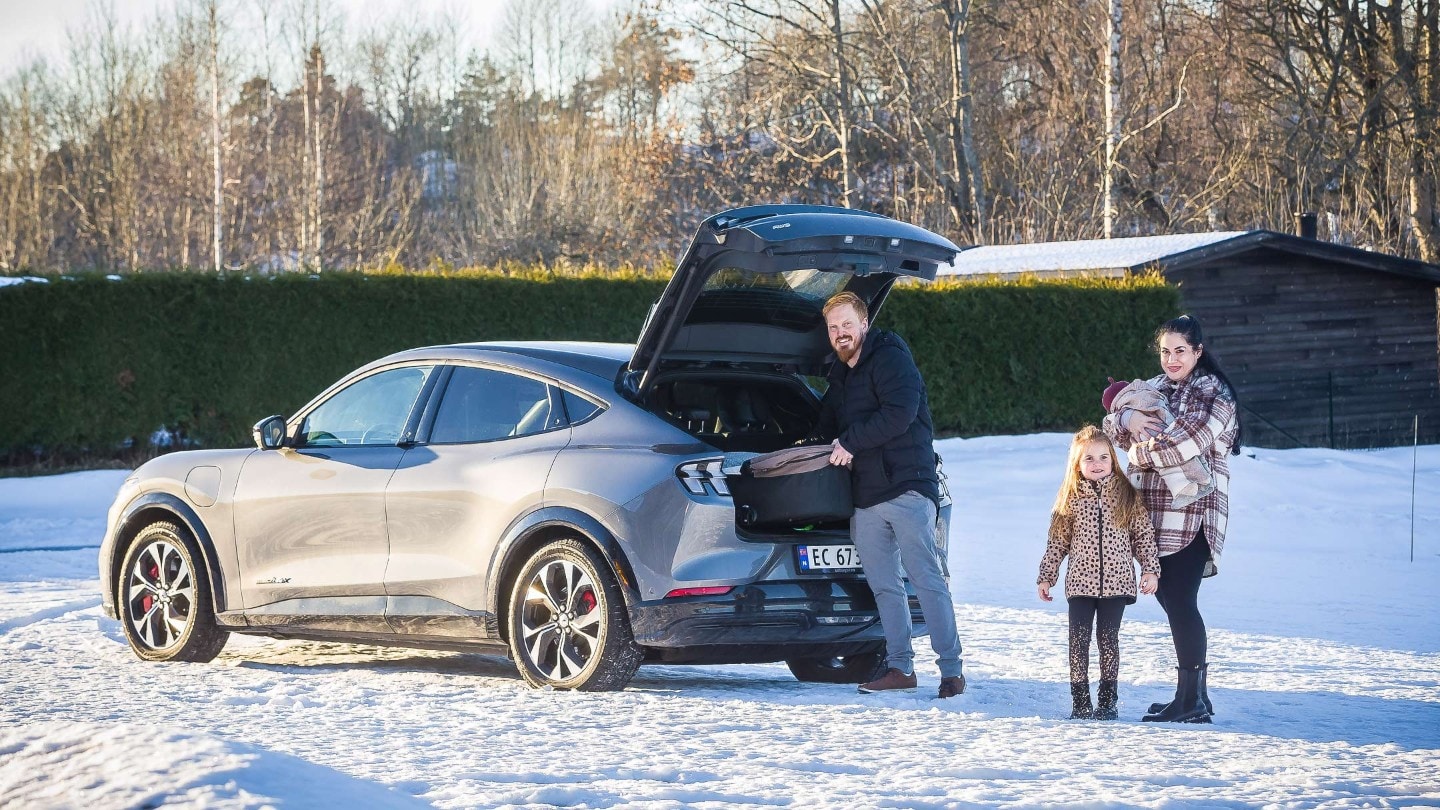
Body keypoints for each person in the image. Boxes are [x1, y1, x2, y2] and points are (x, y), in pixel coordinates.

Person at [811, 291, 965, 698]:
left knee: (926, 579)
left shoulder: (890, 357)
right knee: (884, 585)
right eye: (833, 328)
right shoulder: (841, 374)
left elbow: (901, 412)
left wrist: (850, 442)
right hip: (866, 496)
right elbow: (826, 422)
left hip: (908, 487)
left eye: (847, 325)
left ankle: (952, 671)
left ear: (863, 324)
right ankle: (900, 668)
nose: (841, 333)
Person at [1103, 314, 1243, 723]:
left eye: (1180, 350)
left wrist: (1138, 451)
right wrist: (1127, 419)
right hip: (1154, 514)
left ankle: (1191, 701)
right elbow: (1114, 424)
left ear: (1198, 352)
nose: (1171, 359)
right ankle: (1193, 694)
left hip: (1193, 514)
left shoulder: (1214, 394)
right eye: (1165, 351)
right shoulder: (1158, 387)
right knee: (1169, 598)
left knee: (1181, 600)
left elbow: (1187, 443)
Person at [1037, 425, 1160, 720]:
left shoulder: (1127, 496)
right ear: (1077, 465)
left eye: (1103, 457)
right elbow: (1057, 543)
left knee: (1108, 639)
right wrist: (1046, 576)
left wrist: (1150, 569)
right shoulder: (1070, 500)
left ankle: (1107, 701)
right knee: (1078, 640)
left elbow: (1143, 535)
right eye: (1088, 459)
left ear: (1113, 460)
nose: (1097, 464)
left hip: (1117, 583)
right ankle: (1080, 701)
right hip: (1080, 583)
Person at [1102, 377, 1214, 508]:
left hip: (1151, 434)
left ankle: (1185, 489)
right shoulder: (1149, 388)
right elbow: (1109, 427)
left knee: (1168, 465)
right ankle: (1200, 477)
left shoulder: (1125, 408)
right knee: (1178, 459)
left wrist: (1134, 452)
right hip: (1166, 425)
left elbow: (1115, 426)